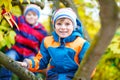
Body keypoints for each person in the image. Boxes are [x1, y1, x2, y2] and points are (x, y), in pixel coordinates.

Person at [18, 8, 90, 80]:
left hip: (72, 77)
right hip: (53, 77)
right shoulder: (48, 41)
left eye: (67, 24)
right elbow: (41, 61)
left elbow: (88, 67)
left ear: (73, 26)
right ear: (54, 26)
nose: (63, 27)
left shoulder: (82, 44)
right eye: (59, 24)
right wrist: (27, 64)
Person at [0, 4, 48, 80]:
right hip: (16, 49)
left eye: (34, 15)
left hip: (30, 53)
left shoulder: (41, 31)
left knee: (33, 65)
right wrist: (3, 10)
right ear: (25, 15)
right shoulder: (20, 20)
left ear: (37, 17)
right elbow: (11, 19)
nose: (31, 16)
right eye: (29, 14)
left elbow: (45, 45)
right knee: (9, 58)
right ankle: (4, 78)